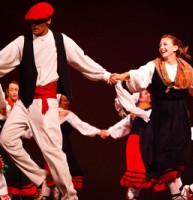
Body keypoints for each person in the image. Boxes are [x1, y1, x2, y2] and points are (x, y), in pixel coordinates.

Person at [0, 2, 114, 200]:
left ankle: (70, 195)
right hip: (25, 101)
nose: (34, 25)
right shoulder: (22, 42)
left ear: (49, 20)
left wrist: (105, 75)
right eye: (31, 23)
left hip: (45, 103)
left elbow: (82, 60)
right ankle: (40, 177)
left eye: (38, 22)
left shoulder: (61, 41)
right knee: (6, 139)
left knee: (53, 151)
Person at [110, 34, 193, 200]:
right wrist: (123, 76)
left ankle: (179, 192)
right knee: (164, 156)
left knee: (176, 157)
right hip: (161, 115)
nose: (161, 47)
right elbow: (139, 74)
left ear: (175, 48)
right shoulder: (155, 65)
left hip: (179, 115)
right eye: (160, 45)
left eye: (165, 44)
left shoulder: (186, 69)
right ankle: (177, 195)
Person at [100, 88, 167, 200]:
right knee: (137, 171)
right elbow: (121, 125)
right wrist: (107, 132)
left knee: (151, 169)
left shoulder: (151, 111)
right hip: (135, 143)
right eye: (146, 93)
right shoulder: (132, 115)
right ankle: (132, 197)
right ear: (140, 99)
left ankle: (179, 194)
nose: (149, 94)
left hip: (149, 142)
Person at [43, 94, 102, 199]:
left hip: (53, 149)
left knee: (56, 177)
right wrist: (99, 131)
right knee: (63, 175)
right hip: (61, 149)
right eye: (65, 101)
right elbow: (82, 126)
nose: (68, 102)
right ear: (58, 102)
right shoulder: (66, 114)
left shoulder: (48, 115)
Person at [0, 81, 36, 199]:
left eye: (16, 90)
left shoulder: (21, 107)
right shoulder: (5, 106)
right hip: (3, 146)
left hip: (14, 145)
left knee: (13, 180)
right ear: (7, 91)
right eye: (11, 90)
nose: (14, 92)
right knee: (7, 177)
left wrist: (34, 131)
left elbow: (25, 133)